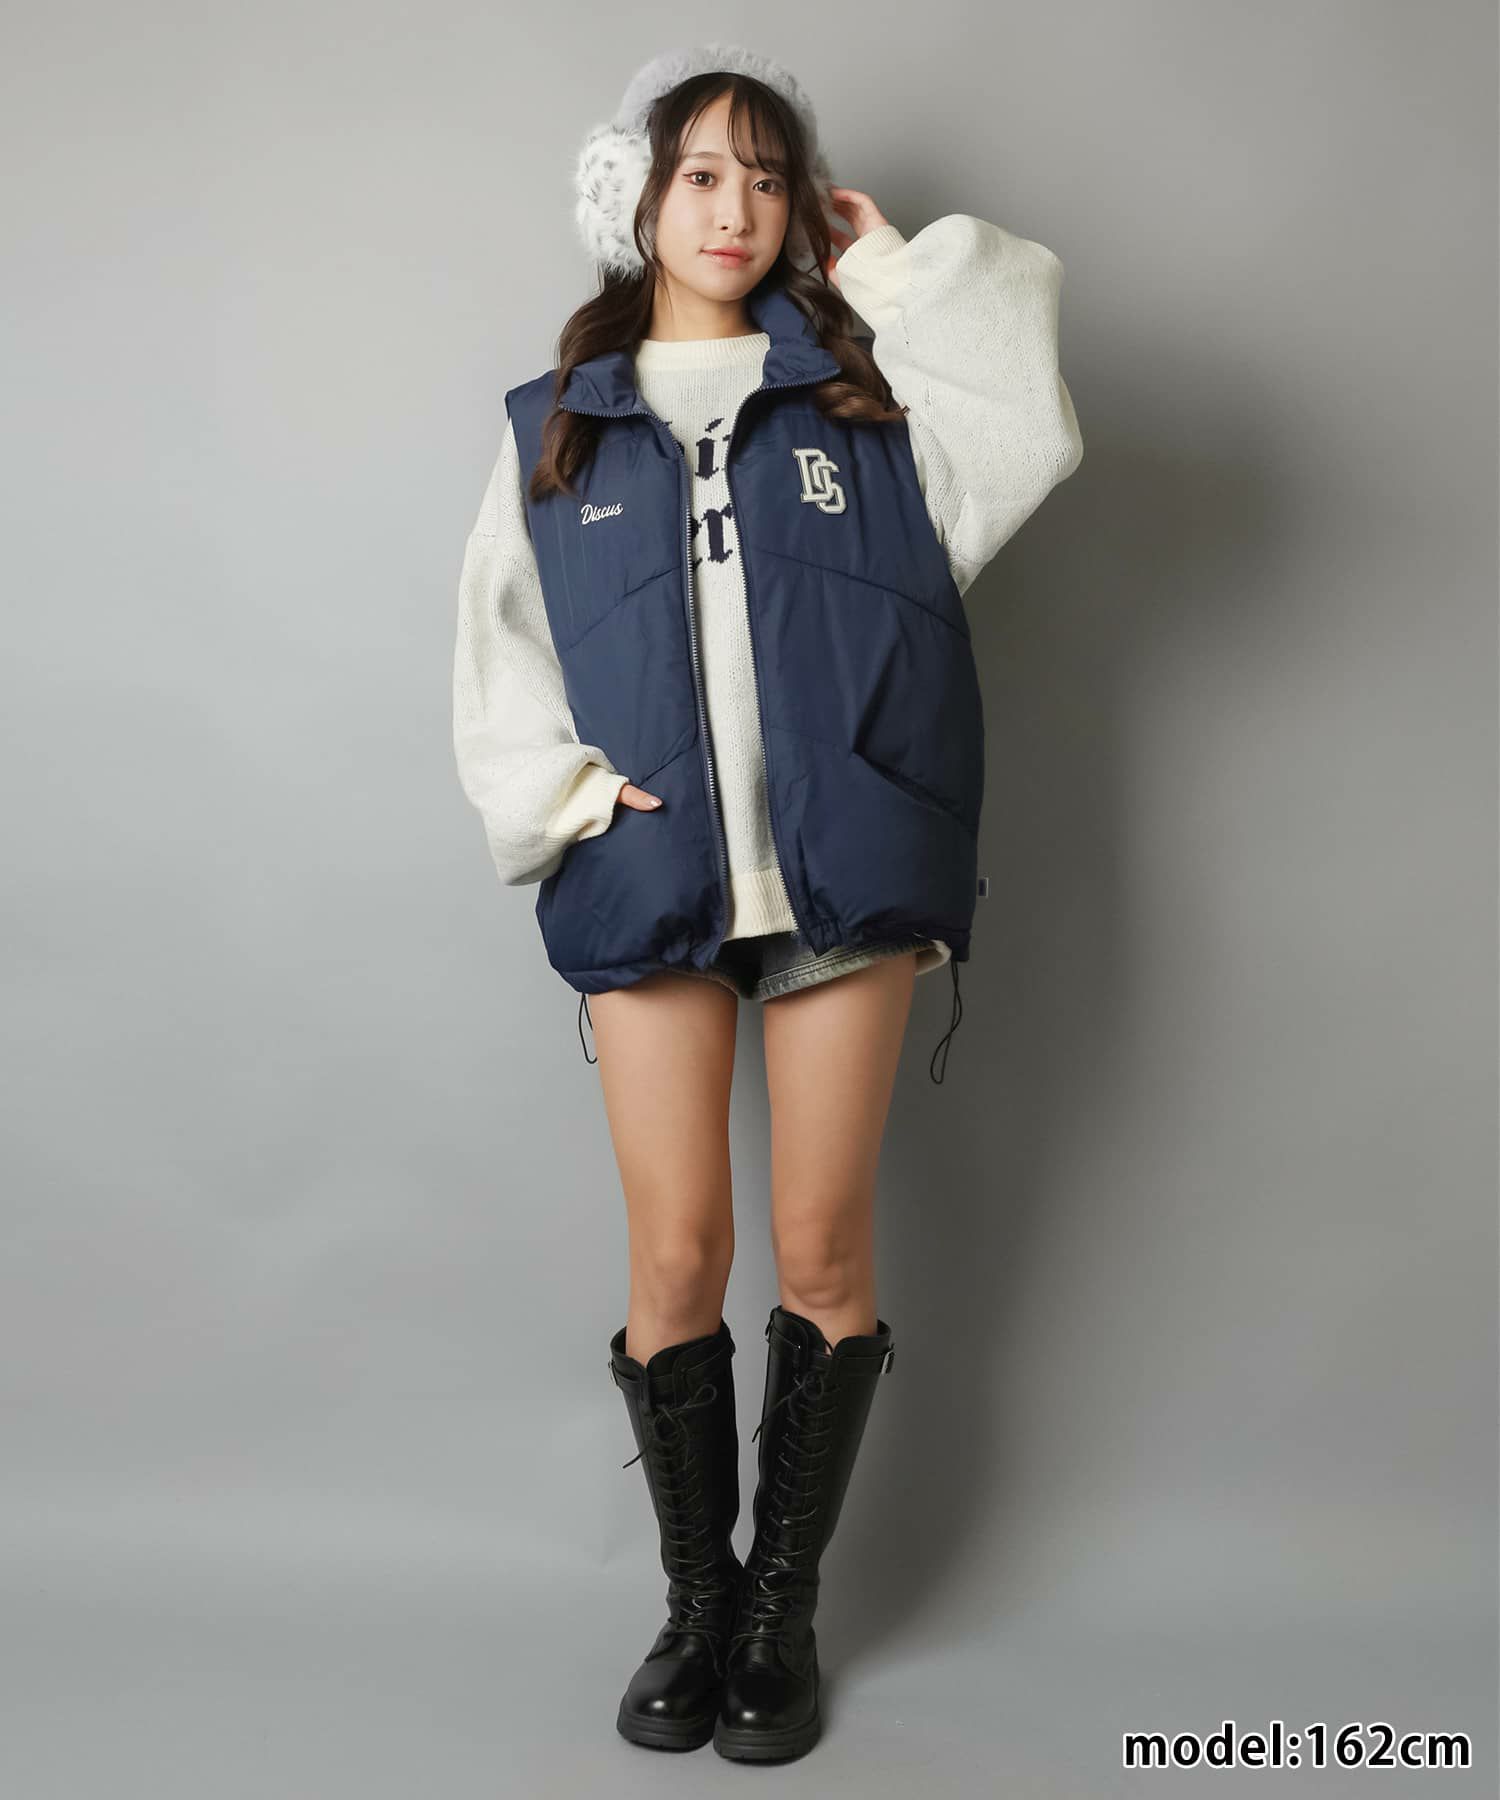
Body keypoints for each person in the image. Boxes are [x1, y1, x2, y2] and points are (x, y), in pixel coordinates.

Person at [452, 43, 1082, 1764]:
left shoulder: (869, 404)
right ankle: (693, 1603)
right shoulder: (561, 424)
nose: (735, 207)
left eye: (768, 175)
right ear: (636, 199)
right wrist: (573, 802)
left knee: (820, 1249)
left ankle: (779, 1611)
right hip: (652, 872)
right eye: (702, 173)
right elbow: (497, 652)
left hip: (842, 870)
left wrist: (887, 276)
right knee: (676, 1254)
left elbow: (1031, 412)